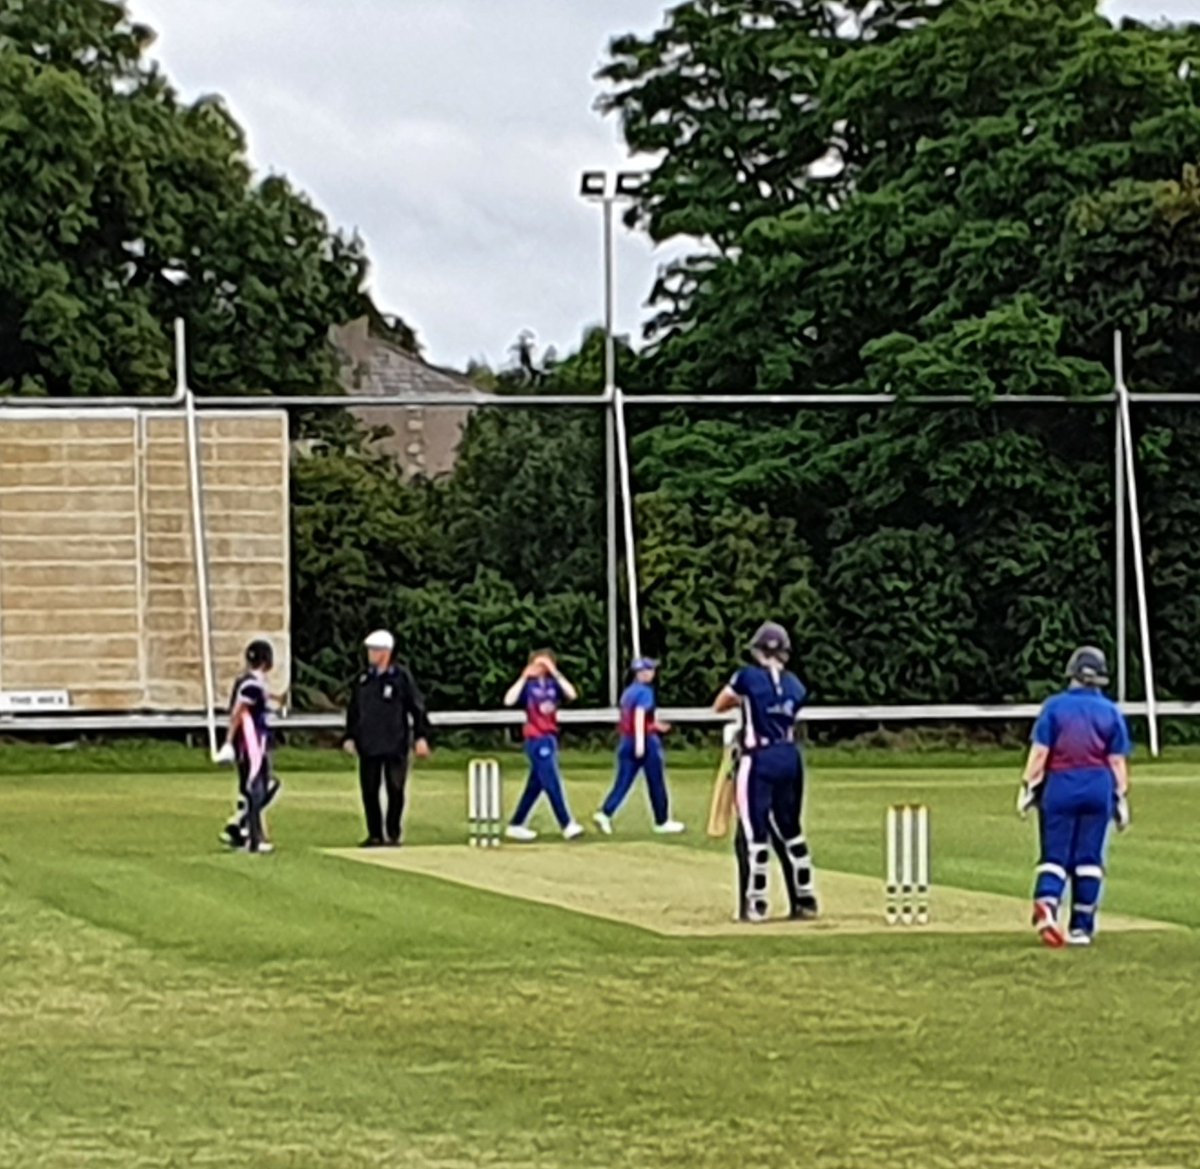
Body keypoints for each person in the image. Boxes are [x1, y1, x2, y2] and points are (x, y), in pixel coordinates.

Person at [1017, 645, 1131, 948]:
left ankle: (1047, 903)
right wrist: (1121, 798)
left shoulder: (1055, 708)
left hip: (1061, 786)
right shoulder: (1111, 712)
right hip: (1098, 788)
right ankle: (1081, 927)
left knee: (1055, 856)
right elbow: (1117, 762)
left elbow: (1040, 754)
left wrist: (1028, 786)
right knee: (1089, 859)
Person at [713, 622, 818, 923]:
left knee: (754, 832)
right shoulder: (795, 684)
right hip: (790, 756)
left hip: (759, 757)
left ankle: (755, 904)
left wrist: (744, 701)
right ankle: (805, 899)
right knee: (790, 829)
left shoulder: (746, 677)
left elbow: (720, 704)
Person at [342, 629, 431, 848]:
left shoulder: (401, 677)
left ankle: (393, 833)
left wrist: (420, 736)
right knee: (369, 790)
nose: (370, 654)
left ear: (386, 652)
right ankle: (374, 834)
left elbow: (416, 708)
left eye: (374, 650)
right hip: (368, 743)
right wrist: (350, 736)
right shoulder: (363, 679)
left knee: (395, 788)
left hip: (395, 742)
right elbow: (354, 710)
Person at [594, 658, 684, 835]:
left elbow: (630, 718)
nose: (653, 673)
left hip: (626, 739)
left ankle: (605, 813)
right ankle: (662, 820)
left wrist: (655, 726)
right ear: (641, 673)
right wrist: (641, 742)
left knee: (623, 782)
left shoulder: (628, 692)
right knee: (656, 781)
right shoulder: (645, 692)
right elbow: (639, 716)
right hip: (645, 741)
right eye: (650, 670)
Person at [504, 649, 584, 842]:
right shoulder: (528, 686)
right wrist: (523, 676)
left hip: (550, 736)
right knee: (551, 780)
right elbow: (509, 700)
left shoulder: (553, 684)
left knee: (536, 785)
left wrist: (555, 672)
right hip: (535, 737)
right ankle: (566, 824)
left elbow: (572, 694)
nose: (541, 668)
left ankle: (516, 824)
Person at [215, 639, 280, 855]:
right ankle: (251, 834)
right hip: (251, 742)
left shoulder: (250, 682)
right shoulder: (252, 684)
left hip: (251, 741)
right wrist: (229, 741)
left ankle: (243, 828)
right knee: (259, 787)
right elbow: (238, 712)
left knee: (255, 789)